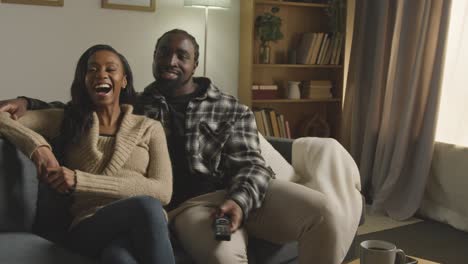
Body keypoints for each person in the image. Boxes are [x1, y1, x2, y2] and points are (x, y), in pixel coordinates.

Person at [0, 29, 359, 264]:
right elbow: (77, 110)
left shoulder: (229, 108)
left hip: (238, 193)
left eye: (181, 55)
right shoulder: (142, 104)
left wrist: (238, 200)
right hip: (189, 209)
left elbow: (252, 163)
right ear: (153, 57)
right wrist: (27, 103)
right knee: (223, 258)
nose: (171, 61)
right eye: (164, 53)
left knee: (324, 212)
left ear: (194, 63)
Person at [0, 44, 175, 264]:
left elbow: (163, 191)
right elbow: (2, 119)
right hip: (88, 226)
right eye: (92, 69)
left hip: (140, 226)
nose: (101, 74)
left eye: (110, 69)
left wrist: (80, 181)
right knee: (146, 206)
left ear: (124, 80)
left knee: (119, 258)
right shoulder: (68, 119)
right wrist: (38, 148)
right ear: (84, 81)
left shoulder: (150, 128)